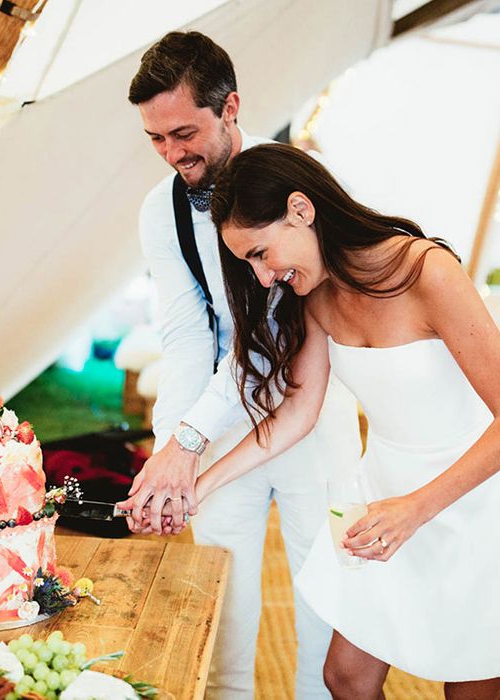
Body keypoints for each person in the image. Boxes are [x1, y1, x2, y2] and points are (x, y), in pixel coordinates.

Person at [195, 142, 500, 699]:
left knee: (470, 689)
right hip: (381, 495)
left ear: (301, 210)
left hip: (472, 502)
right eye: (250, 264)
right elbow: (296, 413)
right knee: (346, 678)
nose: (263, 278)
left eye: (261, 253)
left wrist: (415, 509)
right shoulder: (317, 298)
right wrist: (200, 485)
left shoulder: (427, 271)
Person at [117, 32, 361, 699]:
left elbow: (273, 333)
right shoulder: (159, 210)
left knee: (324, 614)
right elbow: (187, 335)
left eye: (185, 132)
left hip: (315, 413)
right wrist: (173, 447)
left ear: (231, 108)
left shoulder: (295, 181)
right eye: (156, 139)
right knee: (222, 611)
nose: (173, 154)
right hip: (222, 423)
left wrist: (190, 439)